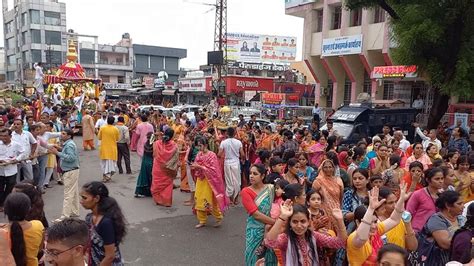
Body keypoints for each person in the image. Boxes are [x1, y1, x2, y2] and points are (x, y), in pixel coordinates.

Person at [264, 201, 347, 265]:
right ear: (290, 223)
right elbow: (269, 242)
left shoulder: (314, 236)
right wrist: (282, 216)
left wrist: (340, 220)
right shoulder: (285, 239)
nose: (299, 226)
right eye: (295, 222)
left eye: (303, 221)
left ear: (308, 222)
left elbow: (340, 242)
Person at [346, 183, 409, 265]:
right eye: (369, 223)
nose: (373, 226)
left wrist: (401, 200)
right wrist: (371, 209)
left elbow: (394, 220)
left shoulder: (376, 230)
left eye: (375, 221)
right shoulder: (354, 238)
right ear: (358, 222)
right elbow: (362, 238)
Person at [80, 181, 126, 265]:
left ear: (96, 198)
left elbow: (110, 256)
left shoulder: (105, 223)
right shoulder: (89, 218)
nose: (81, 201)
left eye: (84, 198)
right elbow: (87, 241)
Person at [241, 164, 277, 265]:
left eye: (255, 174)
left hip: (270, 229)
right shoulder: (246, 191)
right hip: (255, 231)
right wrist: (276, 222)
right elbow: (255, 214)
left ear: (262, 176)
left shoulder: (270, 188)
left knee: (270, 256)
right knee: (253, 256)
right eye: (250, 173)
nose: (251, 176)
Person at [191, 137, 229, 228]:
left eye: (200, 145)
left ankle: (219, 217)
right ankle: (202, 220)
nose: (199, 148)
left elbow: (214, 170)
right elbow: (196, 165)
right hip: (201, 180)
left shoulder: (212, 155)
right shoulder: (199, 154)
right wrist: (195, 167)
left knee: (210, 200)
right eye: (198, 146)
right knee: (199, 198)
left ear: (206, 145)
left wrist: (200, 167)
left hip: (210, 182)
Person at [419, 191, 464, 265]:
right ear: (448, 205)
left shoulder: (461, 219)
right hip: (438, 261)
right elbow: (445, 244)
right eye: (459, 204)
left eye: (463, 203)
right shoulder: (436, 220)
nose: (463, 206)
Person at [3, 192, 44, 266]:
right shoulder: (38, 226)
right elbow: (40, 249)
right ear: (28, 209)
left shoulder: (2, 233)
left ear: (5, 210)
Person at [48, 129, 80, 221]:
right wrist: (59, 149)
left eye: (63, 134)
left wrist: (57, 153)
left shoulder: (69, 144)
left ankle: (65, 216)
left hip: (70, 170)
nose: (61, 135)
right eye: (61, 133)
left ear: (69, 136)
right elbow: (68, 153)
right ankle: (74, 211)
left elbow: (71, 158)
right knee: (73, 192)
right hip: (72, 170)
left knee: (68, 194)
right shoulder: (69, 144)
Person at [406, 167, 445, 232]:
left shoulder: (443, 195)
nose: (441, 181)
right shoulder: (418, 194)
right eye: (437, 179)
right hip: (418, 232)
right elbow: (408, 213)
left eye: (442, 178)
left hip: (437, 232)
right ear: (428, 180)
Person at [0, 127, 28, 211]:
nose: (3, 138)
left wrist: (17, 159)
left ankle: (6, 203)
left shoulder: (16, 144)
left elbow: (23, 152)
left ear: (10, 136)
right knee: (0, 188)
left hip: (11, 170)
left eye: (5, 136)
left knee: (10, 187)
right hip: (1, 170)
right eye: (1, 136)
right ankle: (1, 204)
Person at [151, 128, 178, 207]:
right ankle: (167, 201)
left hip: (158, 167)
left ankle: (158, 200)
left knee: (157, 184)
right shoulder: (174, 145)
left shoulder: (156, 143)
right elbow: (175, 158)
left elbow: (154, 154)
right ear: (172, 136)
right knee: (168, 185)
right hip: (168, 168)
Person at [219, 127, 244, 205]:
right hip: (236, 162)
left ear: (227, 133)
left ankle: (230, 200)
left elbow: (219, 154)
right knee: (237, 181)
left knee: (229, 181)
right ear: (234, 133)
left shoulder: (223, 142)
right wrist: (242, 159)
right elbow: (242, 154)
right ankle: (236, 199)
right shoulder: (238, 142)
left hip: (227, 162)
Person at [98, 116, 120, 182]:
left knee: (104, 164)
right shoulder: (116, 129)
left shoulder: (102, 128)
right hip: (112, 149)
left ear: (107, 121)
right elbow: (117, 139)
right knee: (111, 164)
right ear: (113, 122)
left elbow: (99, 137)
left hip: (104, 148)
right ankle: (108, 176)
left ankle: (105, 176)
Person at [135, 132, 154, 198]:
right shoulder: (154, 145)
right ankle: (149, 192)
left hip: (145, 162)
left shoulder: (146, 144)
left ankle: (140, 191)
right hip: (151, 162)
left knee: (143, 177)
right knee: (150, 177)